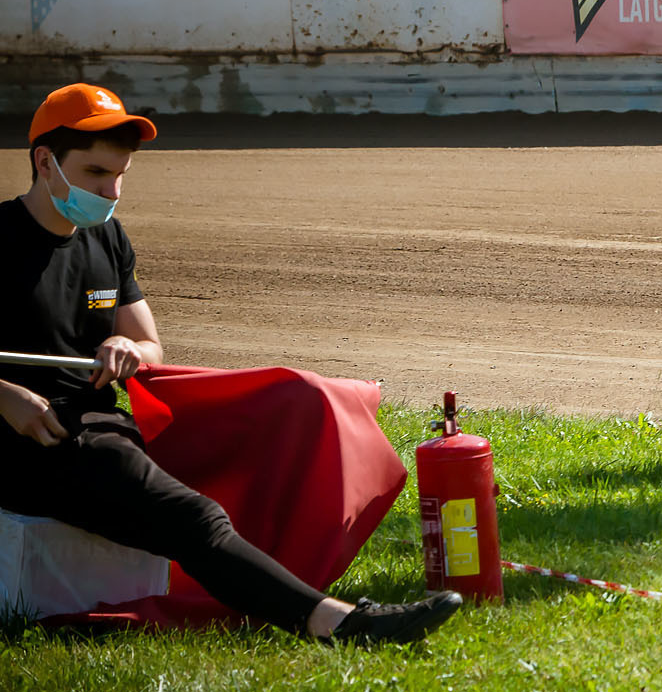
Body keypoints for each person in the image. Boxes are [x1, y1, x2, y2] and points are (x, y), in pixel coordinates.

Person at [1, 85, 465, 642]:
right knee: (194, 518)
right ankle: (336, 623)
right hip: (31, 442)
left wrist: (128, 351)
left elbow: (150, 347)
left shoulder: (107, 236)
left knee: (240, 458)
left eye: (120, 175)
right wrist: (4, 396)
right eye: (97, 173)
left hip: (99, 429)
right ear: (44, 161)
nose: (110, 191)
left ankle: (309, 606)